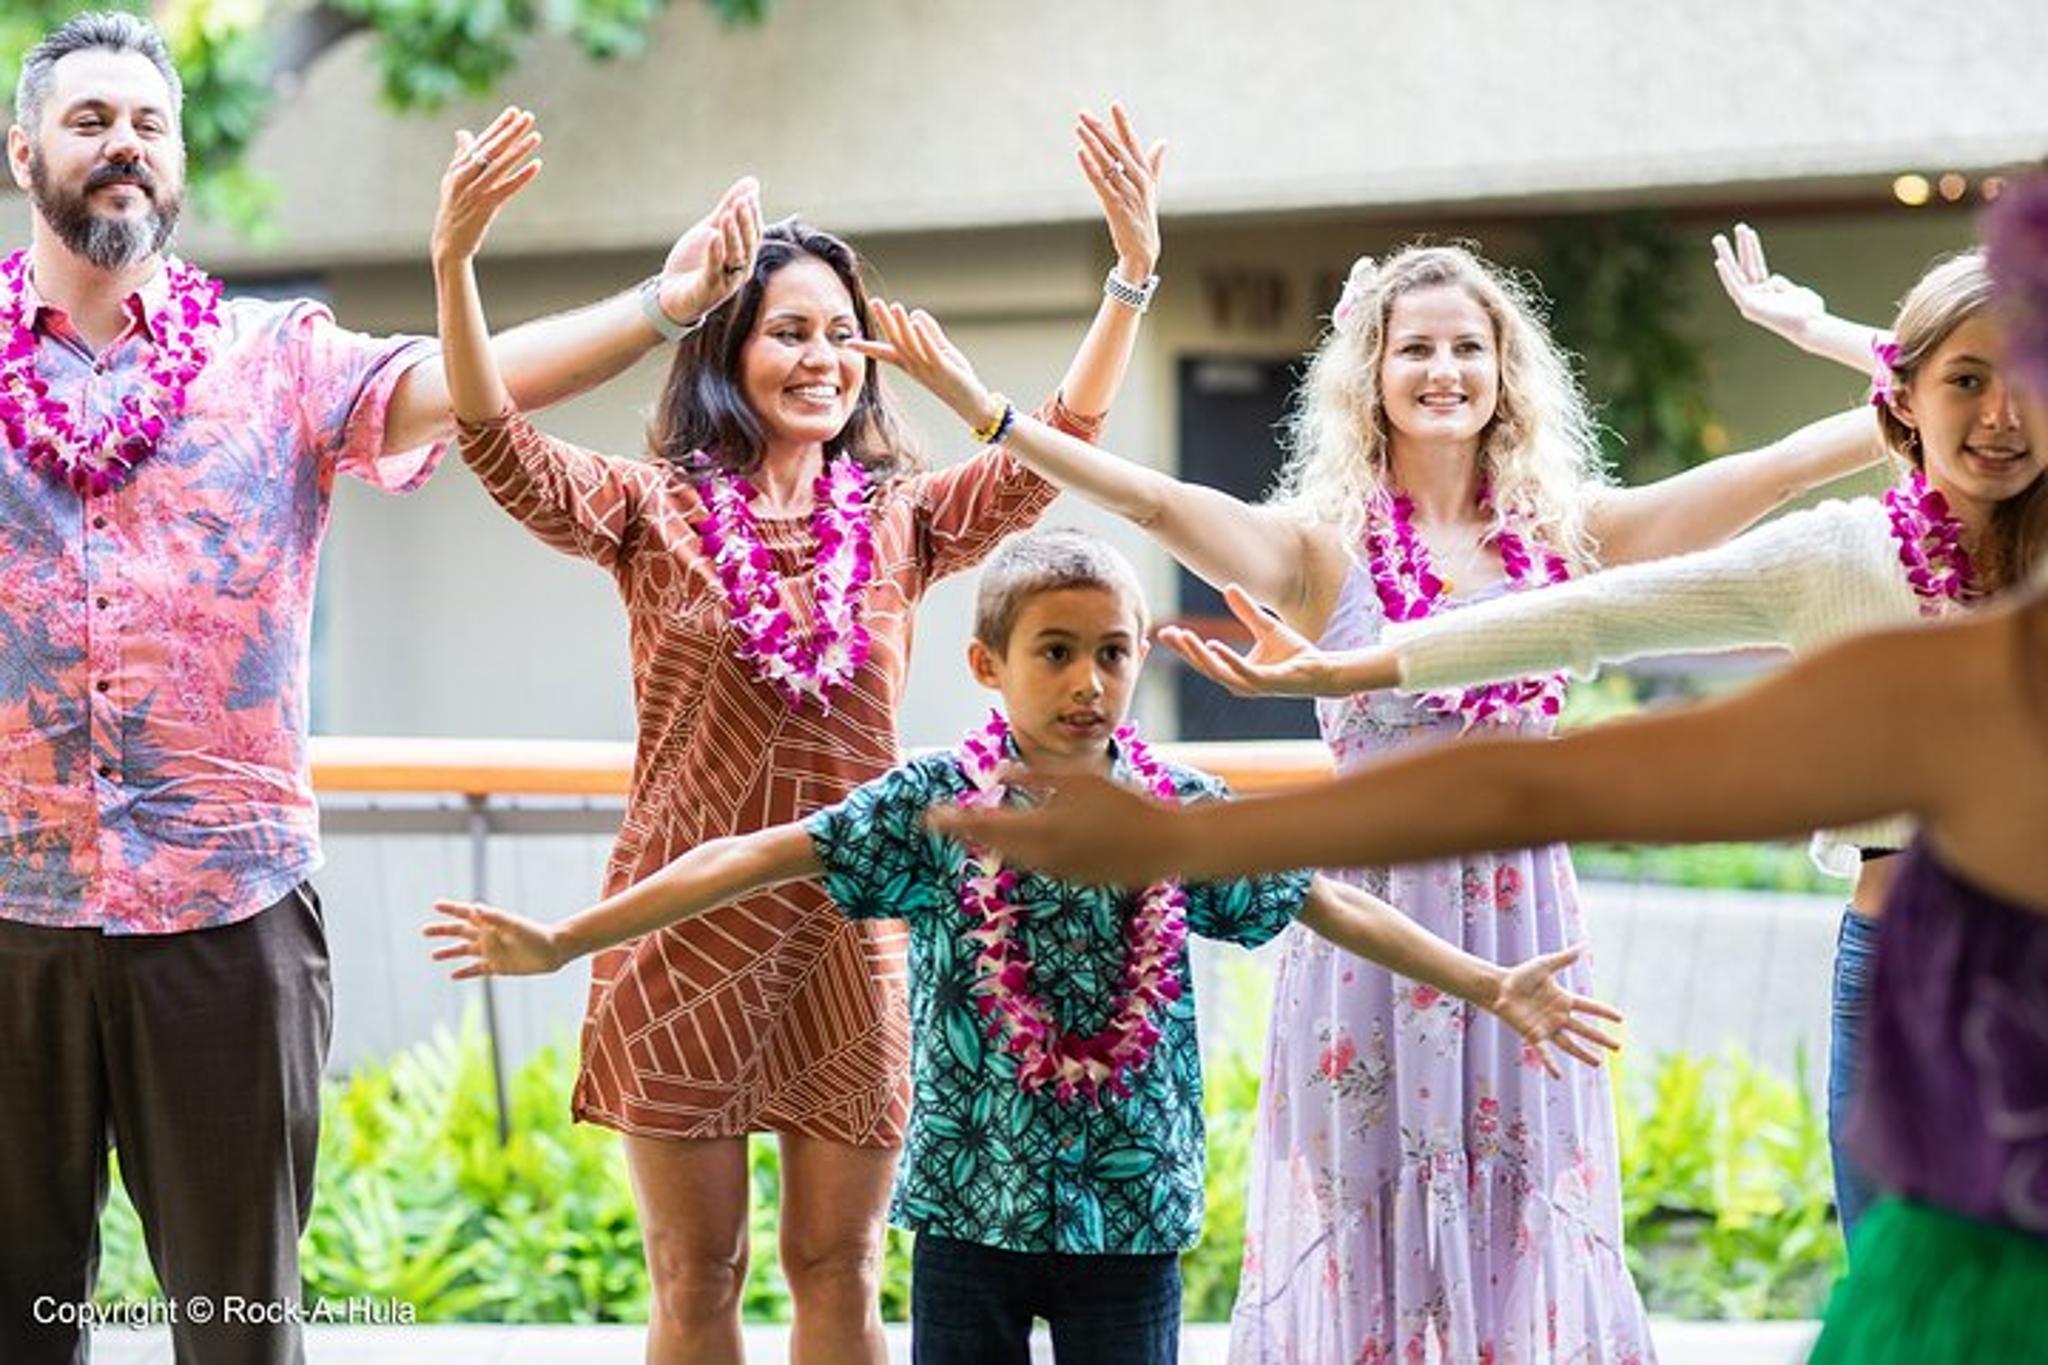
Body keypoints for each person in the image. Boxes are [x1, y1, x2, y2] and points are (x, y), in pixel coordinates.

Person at [853, 240, 1882, 1360]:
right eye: (1415, 349)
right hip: (1366, 927)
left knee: (1518, 1206)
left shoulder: (1568, 538)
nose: (1442, 370)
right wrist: (990, 412)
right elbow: (1151, 500)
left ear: (1504, 372)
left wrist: (1874, 354)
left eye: (1467, 348)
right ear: (1371, 374)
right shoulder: (1317, 549)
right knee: (1368, 1206)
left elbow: (1784, 466)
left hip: (1517, 913)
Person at [0, 15, 762, 1365]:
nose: (123, 146)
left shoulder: (277, 357)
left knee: (237, 1322)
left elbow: (477, 390)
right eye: (89, 121)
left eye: (147, 124)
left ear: (178, 164)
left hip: (225, 912)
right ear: (24, 154)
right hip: (7, 906)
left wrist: (662, 306)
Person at [427, 527, 1625, 1365]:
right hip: (969, 1208)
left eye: (1113, 652)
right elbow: (757, 852)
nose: (1088, 681)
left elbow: (1315, 899)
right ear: (986, 666)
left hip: (1129, 1210)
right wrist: (568, 936)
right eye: (1054, 651)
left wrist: (1483, 980)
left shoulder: (1178, 811)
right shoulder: (937, 804)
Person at [433, 97, 1172, 1362]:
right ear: (728, 349)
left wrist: (1130, 277)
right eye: (788, 331)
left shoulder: (903, 521)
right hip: (682, 924)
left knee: (839, 1266)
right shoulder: (644, 510)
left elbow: (1059, 448)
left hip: (854, 930)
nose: (821, 355)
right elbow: (494, 440)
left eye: (842, 333)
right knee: (695, 1277)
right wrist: (454, 263)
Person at [1158, 240, 2044, 1242]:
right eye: (1961, 381)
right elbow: (1582, 620)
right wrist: (1354, 666)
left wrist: (1828, 334)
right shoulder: (1834, 553)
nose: (1997, 413)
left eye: (2021, 378)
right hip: (1891, 955)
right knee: (1895, 1281)